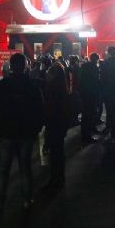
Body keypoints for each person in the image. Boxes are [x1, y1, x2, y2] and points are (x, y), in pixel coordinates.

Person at [0, 53, 45, 212]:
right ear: (25, 66)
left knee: (3, 169)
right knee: (25, 168)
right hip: (26, 133)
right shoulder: (32, 86)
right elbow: (40, 111)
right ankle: (27, 200)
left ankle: (0, 202)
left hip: (6, 133)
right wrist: (35, 130)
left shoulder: (2, 85)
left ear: (11, 66)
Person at [42, 61, 70, 191]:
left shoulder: (52, 89)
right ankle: (59, 179)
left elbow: (50, 108)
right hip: (60, 123)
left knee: (55, 154)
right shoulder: (62, 87)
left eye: (49, 72)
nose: (47, 73)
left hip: (54, 123)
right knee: (58, 152)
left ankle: (55, 181)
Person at [78, 53, 102, 144]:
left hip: (84, 94)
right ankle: (87, 136)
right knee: (90, 115)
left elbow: (80, 80)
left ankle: (85, 134)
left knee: (85, 115)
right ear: (95, 59)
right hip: (91, 94)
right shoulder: (94, 68)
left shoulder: (83, 66)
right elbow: (96, 81)